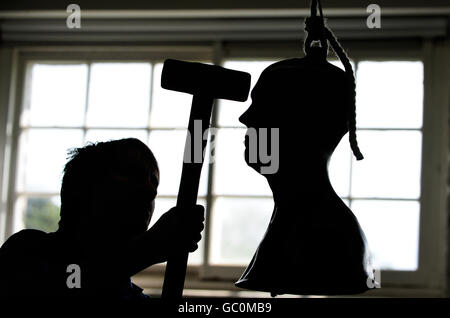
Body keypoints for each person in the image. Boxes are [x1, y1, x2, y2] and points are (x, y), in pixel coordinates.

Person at [235, 44, 373, 295]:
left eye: (265, 108)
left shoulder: (333, 237)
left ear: (301, 128)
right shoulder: (292, 217)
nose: (246, 118)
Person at [0, 138, 204, 302]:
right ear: (83, 188)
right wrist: (148, 248)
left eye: (154, 182)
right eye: (132, 174)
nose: (151, 191)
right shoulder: (25, 252)